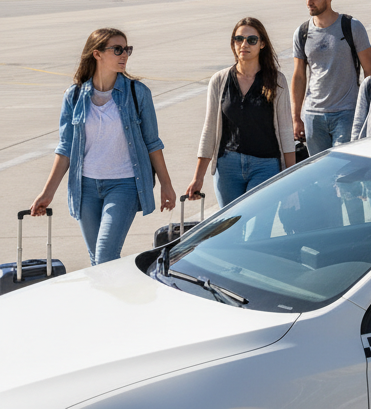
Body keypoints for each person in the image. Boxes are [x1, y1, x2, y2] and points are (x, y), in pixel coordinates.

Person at [30, 28, 176, 265]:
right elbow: (66, 148)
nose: (124, 55)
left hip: (124, 184)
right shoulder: (74, 95)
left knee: (105, 255)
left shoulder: (137, 93)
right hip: (85, 186)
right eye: (117, 49)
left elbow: (152, 143)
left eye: (126, 49)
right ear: (96, 54)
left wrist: (166, 185)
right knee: (96, 260)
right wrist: (47, 193)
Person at [191, 18, 296, 208]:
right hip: (227, 167)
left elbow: (286, 131)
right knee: (232, 229)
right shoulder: (219, 80)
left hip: (265, 166)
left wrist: (291, 176)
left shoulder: (276, 81)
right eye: (238, 39)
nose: (244, 44)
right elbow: (209, 131)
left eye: (251, 40)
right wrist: (198, 178)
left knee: (258, 227)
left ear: (262, 44)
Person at [291, 0, 371, 153]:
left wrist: (368, 110)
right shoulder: (302, 32)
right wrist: (296, 117)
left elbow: (370, 72)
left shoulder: (352, 26)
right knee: (319, 174)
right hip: (313, 115)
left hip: (346, 113)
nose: (309, 2)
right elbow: (299, 76)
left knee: (344, 172)